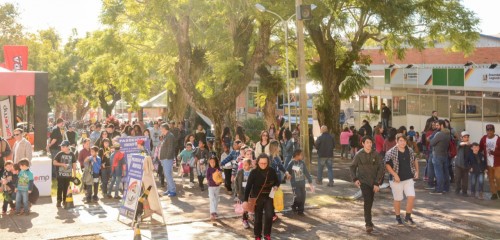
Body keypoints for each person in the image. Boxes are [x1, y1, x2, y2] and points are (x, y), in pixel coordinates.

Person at [350, 136, 384, 233]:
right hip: (363, 182)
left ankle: (369, 221)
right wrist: (355, 179)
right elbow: (352, 167)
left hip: (373, 182)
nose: (369, 144)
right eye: (367, 142)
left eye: (371, 142)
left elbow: (381, 168)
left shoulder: (376, 154)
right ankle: (368, 224)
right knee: (367, 201)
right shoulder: (359, 154)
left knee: (370, 201)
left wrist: (377, 183)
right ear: (363, 144)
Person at [384, 135, 419, 226]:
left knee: (411, 196)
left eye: (404, 141)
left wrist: (417, 171)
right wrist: (395, 175)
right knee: (398, 199)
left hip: (408, 178)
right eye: (400, 140)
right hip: (397, 180)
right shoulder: (391, 152)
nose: (403, 142)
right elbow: (387, 165)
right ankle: (398, 217)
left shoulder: (410, 150)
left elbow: (415, 160)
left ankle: (408, 217)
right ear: (397, 141)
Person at [243, 154, 280, 240]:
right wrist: (245, 200)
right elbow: (248, 187)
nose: (263, 165)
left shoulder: (272, 171)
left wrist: (276, 186)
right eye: (261, 163)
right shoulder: (253, 172)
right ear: (257, 162)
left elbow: (277, 181)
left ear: (268, 162)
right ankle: (257, 236)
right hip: (257, 197)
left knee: (269, 216)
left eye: (265, 163)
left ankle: (267, 235)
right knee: (258, 217)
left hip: (269, 197)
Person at [285, 149, 314, 216]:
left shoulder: (302, 163)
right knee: (298, 196)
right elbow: (286, 171)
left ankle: (301, 210)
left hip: (302, 183)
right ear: (297, 155)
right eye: (301, 155)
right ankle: (294, 206)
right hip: (295, 184)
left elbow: (306, 172)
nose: (302, 156)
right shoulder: (291, 163)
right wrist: (287, 176)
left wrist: (310, 182)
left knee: (303, 196)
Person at [53, 140, 77, 208]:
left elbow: (74, 165)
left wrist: (74, 175)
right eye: (61, 146)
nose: (61, 147)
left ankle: (64, 200)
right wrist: (62, 164)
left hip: (68, 175)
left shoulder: (72, 154)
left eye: (63, 146)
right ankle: (58, 200)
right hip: (60, 175)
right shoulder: (59, 153)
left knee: (66, 188)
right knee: (60, 187)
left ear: (67, 147)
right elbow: (54, 162)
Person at [429, 120, 451, 195]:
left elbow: (431, 143)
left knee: (439, 173)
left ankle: (439, 189)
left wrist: (433, 137)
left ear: (442, 125)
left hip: (438, 155)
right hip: (445, 155)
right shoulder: (448, 134)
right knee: (445, 172)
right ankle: (446, 188)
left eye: (438, 125)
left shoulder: (439, 134)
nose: (436, 127)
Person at [479, 124, 500, 200]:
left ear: (494, 131)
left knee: (498, 178)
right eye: (488, 130)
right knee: (490, 179)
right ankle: (494, 193)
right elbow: (480, 148)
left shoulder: (498, 139)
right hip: (488, 163)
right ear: (486, 131)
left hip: (497, 163)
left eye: (491, 130)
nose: (489, 131)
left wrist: (494, 153)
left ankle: (498, 190)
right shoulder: (484, 138)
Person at [160, 123, 177, 197]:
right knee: (166, 174)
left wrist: (167, 157)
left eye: (161, 128)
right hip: (164, 158)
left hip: (167, 158)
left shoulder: (170, 136)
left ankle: (172, 190)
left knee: (168, 174)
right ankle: (169, 189)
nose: (161, 130)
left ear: (164, 128)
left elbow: (171, 148)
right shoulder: (166, 136)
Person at [235, 158, 253, 229]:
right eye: (243, 165)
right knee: (244, 207)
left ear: (250, 165)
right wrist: (237, 192)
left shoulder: (252, 172)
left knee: (250, 206)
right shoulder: (240, 172)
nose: (244, 166)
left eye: (246, 165)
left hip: (250, 193)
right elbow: (236, 182)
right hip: (242, 193)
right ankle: (244, 219)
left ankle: (250, 215)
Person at [455, 131, 471, 196]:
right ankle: (457, 190)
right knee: (458, 178)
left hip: (466, 165)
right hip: (458, 164)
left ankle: (464, 192)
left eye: (467, 137)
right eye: (464, 137)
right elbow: (460, 144)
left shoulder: (470, 145)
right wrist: (465, 143)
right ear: (461, 138)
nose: (466, 138)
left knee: (465, 179)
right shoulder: (459, 143)